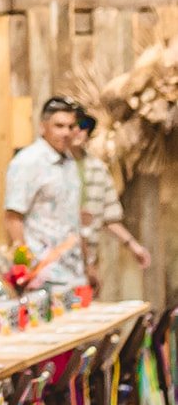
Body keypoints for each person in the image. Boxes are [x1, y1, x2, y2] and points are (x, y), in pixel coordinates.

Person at [4, 95, 85, 289]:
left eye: (71, 127)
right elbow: (13, 217)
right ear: (43, 127)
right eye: (59, 126)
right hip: (43, 274)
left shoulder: (70, 161)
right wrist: (25, 268)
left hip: (73, 271)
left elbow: (73, 219)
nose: (66, 133)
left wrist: (89, 264)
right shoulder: (28, 162)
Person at [69, 108, 150, 295]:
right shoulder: (51, 167)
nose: (79, 130)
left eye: (84, 126)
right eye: (74, 125)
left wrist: (134, 246)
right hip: (57, 259)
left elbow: (110, 217)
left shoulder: (98, 168)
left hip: (89, 256)